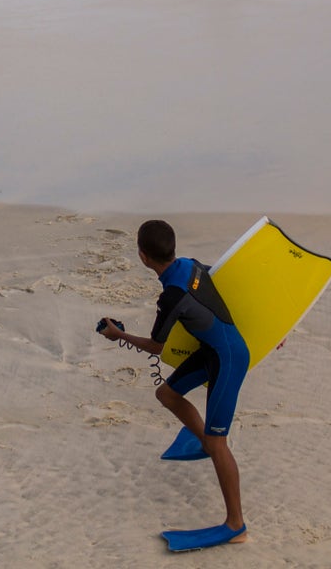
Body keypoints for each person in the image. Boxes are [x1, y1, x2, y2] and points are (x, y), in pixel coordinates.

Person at [99, 219, 249, 546]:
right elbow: (227, 284)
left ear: (143, 256)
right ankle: (204, 442)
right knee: (166, 393)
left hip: (228, 359)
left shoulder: (171, 296)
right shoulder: (191, 265)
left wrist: (118, 334)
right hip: (211, 350)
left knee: (220, 443)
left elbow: (157, 346)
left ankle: (236, 525)